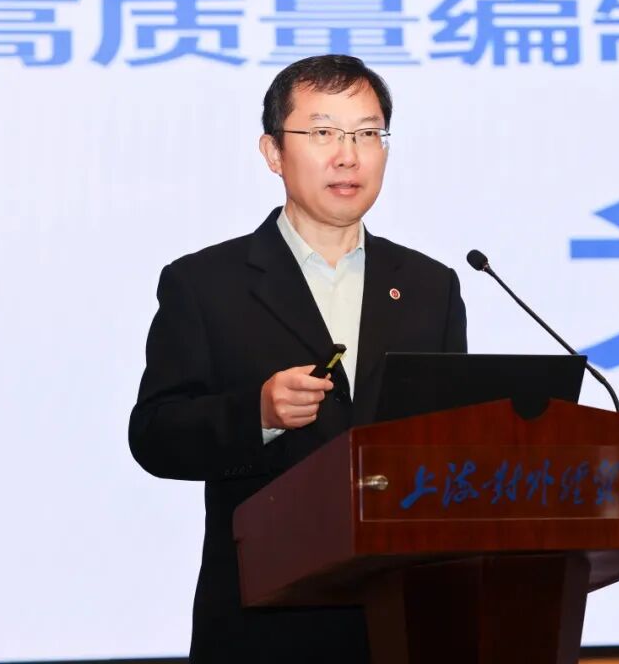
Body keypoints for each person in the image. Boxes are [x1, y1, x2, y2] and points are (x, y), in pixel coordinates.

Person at [129, 55, 467, 663]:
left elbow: (452, 441)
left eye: (367, 133)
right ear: (273, 152)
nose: (348, 156)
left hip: (404, 622)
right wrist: (255, 414)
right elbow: (154, 435)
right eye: (323, 133)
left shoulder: (429, 286)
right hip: (267, 623)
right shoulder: (206, 284)